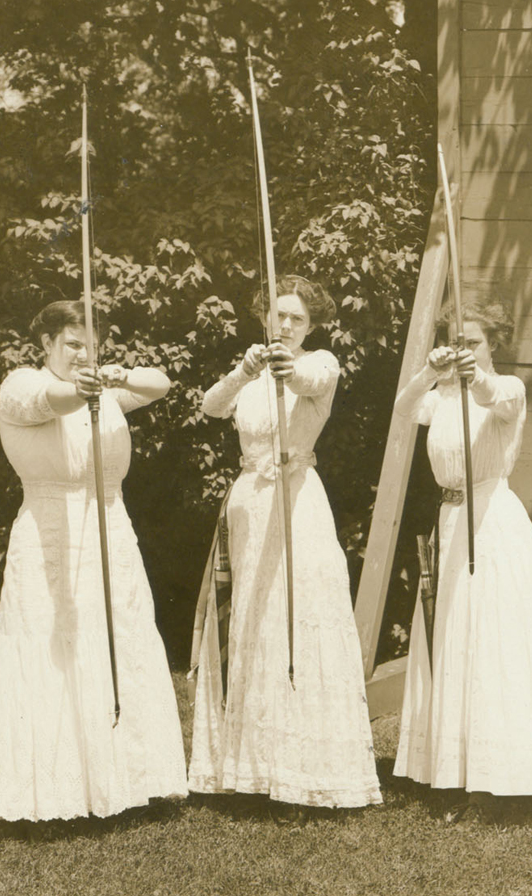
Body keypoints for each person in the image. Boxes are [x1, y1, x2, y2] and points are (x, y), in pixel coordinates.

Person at [0, 300, 187, 821]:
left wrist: (114, 374)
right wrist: (81, 387)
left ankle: (127, 780)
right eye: (72, 344)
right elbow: (48, 401)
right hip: (50, 531)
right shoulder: (21, 383)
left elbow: (162, 385)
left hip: (110, 527)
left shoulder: (103, 390)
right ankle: (48, 791)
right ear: (45, 344)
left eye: (92, 344)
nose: (84, 354)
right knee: (50, 644)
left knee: (117, 636)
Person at [188, 275, 381, 812]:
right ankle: (247, 765)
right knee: (250, 616)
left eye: (298, 318)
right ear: (265, 318)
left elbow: (307, 380)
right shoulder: (251, 372)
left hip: (296, 501)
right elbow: (209, 405)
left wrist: (283, 367)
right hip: (249, 503)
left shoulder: (321, 362)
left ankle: (308, 768)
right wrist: (246, 369)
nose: (287, 325)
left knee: (296, 616)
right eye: (279, 316)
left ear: (311, 325)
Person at [392, 299, 532, 815]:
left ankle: (506, 773)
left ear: (493, 343)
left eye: (472, 341)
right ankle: (454, 773)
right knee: (454, 641)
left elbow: (493, 393)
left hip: (493, 525)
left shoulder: (507, 389)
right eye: (455, 341)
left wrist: (472, 373)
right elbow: (405, 407)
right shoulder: (443, 398)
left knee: (492, 641)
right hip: (451, 523)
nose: (463, 350)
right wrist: (431, 373)